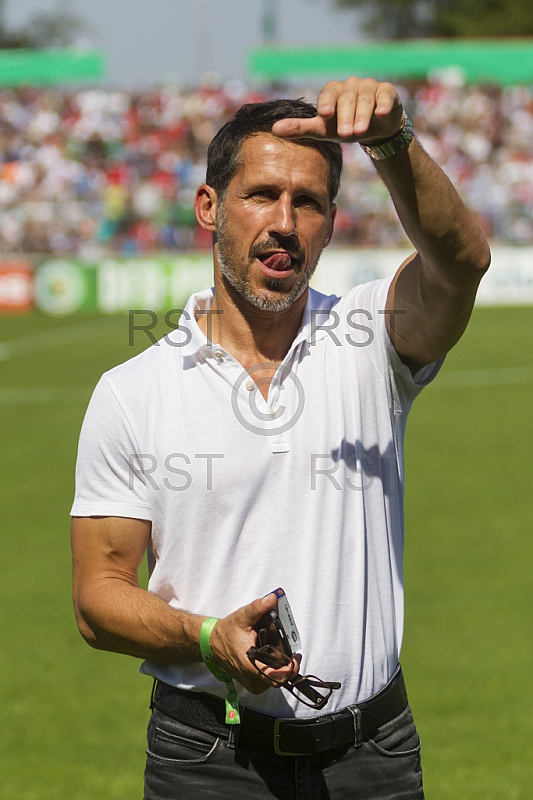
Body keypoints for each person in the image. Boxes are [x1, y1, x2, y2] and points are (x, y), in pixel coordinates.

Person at [70, 77, 490, 799]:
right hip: (205, 760)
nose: (284, 223)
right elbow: (98, 597)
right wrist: (206, 637)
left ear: (330, 222)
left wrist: (390, 143)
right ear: (208, 207)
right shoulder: (132, 390)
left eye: (309, 203)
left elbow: (459, 263)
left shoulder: (369, 340)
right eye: (261, 194)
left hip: (372, 756)